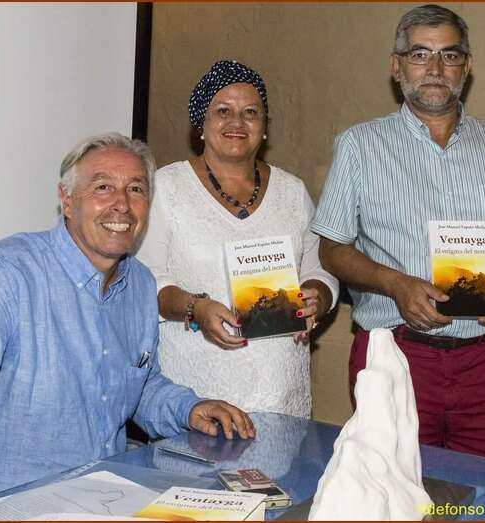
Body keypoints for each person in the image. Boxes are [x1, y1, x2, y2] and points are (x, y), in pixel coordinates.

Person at [0, 132, 255, 521]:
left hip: (109, 496)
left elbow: (141, 383)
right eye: (103, 187)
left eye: (135, 189)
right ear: (66, 200)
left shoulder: (140, 284)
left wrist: (188, 408)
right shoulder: (6, 270)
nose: (122, 204)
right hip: (9, 502)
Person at [311, 4, 485, 464]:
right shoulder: (360, 146)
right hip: (394, 355)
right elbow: (332, 249)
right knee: (393, 492)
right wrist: (395, 284)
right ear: (397, 66)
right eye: (420, 54)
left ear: (466, 66)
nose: (435, 68)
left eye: (449, 55)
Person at [137, 60, 338, 418]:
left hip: (282, 394)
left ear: (264, 127)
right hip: (197, 397)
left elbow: (320, 266)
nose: (237, 122)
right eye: (223, 111)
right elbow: (144, 280)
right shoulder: (167, 188)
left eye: (250, 112)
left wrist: (318, 296)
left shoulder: (292, 192)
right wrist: (194, 307)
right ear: (201, 124)